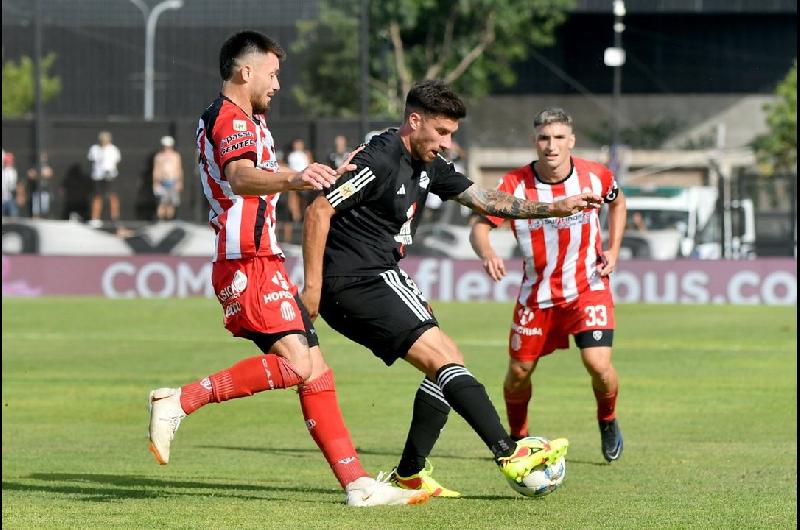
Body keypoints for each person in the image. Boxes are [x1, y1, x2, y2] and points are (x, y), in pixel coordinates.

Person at [146, 30, 427, 508]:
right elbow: (240, 177)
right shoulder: (228, 117)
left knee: (315, 371)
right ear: (246, 71)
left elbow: (264, 174)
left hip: (264, 258)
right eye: (273, 74)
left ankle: (358, 485)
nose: (278, 84)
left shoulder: (250, 120)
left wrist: (326, 172)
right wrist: (297, 177)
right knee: (299, 365)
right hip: (246, 261)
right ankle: (180, 400)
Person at [302, 80, 602, 497]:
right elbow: (318, 212)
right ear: (414, 121)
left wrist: (553, 207)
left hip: (377, 274)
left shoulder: (431, 164)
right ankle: (508, 452)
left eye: (451, 134)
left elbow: (486, 201)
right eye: (441, 132)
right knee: (444, 361)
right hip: (358, 279)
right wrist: (312, 287)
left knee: (448, 362)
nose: (446, 142)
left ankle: (409, 473)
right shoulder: (381, 157)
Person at [469, 107, 626, 463]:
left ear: (572, 141)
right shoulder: (514, 184)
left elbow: (618, 203)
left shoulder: (595, 176)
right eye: (544, 138)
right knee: (518, 373)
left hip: (588, 287)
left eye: (558, 138)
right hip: (537, 295)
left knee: (598, 364)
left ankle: (608, 419)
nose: (551, 146)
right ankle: (517, 439)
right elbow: (479, 226)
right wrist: (487, 251)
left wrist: (614, 249)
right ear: (534, 141)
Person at [87, 130, 121, 227]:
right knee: (97, 196)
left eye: (106, 139)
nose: (104, 141)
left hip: (110, 176)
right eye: (102, 139)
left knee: (113, 196)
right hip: (98, 176)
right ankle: (95, 218)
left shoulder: (113, 149)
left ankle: (115, 218)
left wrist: (109, 171)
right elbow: (92, 159)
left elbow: (116, 161)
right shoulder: (94, 148)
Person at [152, 135, 184, 221]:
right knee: (162, 203)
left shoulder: (176, 156)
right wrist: (155, 184)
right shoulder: (159, 156)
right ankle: (161, 221)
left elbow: (179, 169)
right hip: (162, 182)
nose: (167, 148)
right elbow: (156, 170)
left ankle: (169, 222)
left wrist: (180, 182)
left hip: (173, 181)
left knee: (171, 204)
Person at [27, 151, 54, 218]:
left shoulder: (48, 165)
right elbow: (30, 174)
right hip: (36, 191)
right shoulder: (35, 165)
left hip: (45, 191)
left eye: (44, 157)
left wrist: (37, 174)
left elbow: (49, 174)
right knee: (35, 211)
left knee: (44, 210)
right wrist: (41, 174)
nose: (43, 158)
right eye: (42, 157)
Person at [2, 151, 23, 217]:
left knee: (13, 216)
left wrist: (20, 195)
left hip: (11, 198)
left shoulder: (14, 171)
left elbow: (19, 185)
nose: (8, 163)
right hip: (3, 198)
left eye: (9, 161)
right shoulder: (3, 171)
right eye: (6, 161)